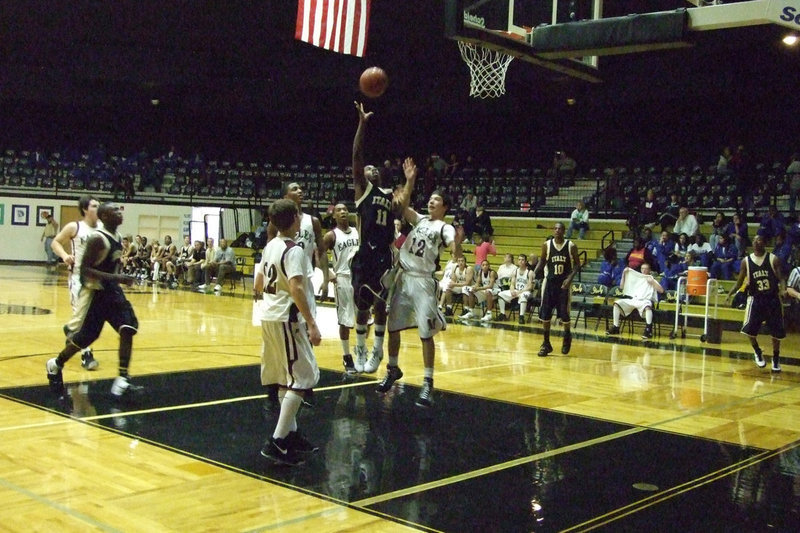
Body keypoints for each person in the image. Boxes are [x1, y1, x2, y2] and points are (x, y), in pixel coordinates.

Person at [376, 190, 464, 408]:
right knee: (393, 326)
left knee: (425, 333)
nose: (431, 201)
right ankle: (393, 368)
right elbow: (402, 208)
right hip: (404, 277)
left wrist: (457, 248)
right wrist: (410, 183)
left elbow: (453, 245)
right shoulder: (421, 219)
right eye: (430, 198)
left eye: (436, 199)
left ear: (445, 207)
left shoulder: (445, 227)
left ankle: (428, 381)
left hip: (423, 281)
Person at [46, 202, 140, 401]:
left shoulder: (119, 237)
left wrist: (120, 278)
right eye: (114, 210)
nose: (119, 212)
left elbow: (111, 269)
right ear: (105, 217)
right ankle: (56, 364)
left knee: (128, 327)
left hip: (113, 293)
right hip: (97, 293)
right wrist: (118, 278)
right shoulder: (98, 239)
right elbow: (85, 270)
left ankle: (122, 378)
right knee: (86, 338)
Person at [254, 199, 321, 466]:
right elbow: (296, 288)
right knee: (304, 377)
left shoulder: (270, 246)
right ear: (294, 218)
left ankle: (291, 434)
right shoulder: (293, 250)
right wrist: (312, 323)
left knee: (286, 378)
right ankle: (278, 441)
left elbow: (258, 283)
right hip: (285, 318)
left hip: (269, 316)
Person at [350, 102, 416, 374]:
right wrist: (362, 124)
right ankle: (360, 347)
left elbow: (402, 208)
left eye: (374, 168)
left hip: (384, 254)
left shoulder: (388, 195)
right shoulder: (362, 191)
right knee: (362, 305)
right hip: (365, 252)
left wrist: (410, 181)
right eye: (367, 169)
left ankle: (376, 350)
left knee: (380, 303)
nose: (372, 169)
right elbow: (356, 154)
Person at [50, 195, 102, 371]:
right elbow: (55, 242)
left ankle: (72, 334)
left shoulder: (104, 228)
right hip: (79, 278)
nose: (98, 208)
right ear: (85, 209)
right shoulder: (75, 227)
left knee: (93, 318)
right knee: (83, 318)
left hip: (98, 280)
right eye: (94, 205)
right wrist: (65, 256)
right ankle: (86, 354)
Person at [725, 234, 785, 372]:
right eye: (754, 239)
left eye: (759, 239)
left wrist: (783, 289)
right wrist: (730, 293)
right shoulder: (746, 261)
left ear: (764, 242)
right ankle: (757, 351)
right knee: (749, 331)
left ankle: (776, 359)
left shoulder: (773, 259)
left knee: (776, 333)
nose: (756, 242)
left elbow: (781, 278)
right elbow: (740, 281)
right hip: (755, 299)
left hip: (772, 299)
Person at [322, 203, 360, 373]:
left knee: (363, 319)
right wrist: (327, 272)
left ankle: (361, 352)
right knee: (345, 320)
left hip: (360, 278)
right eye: (339, 210)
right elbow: (317, 254)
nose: (343, 212)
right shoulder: (331, 236)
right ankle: (346, 356)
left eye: (345, 209)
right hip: (343, 279)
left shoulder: (358, 231)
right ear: (334, 216)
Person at [533, 222, 580, 356]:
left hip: (564, 284)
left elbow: (577, 265)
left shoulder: (571, 246)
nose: (557, 231)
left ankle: (567, 336)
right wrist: (534, 273)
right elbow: (542, 262)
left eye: (560, 229)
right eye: (555, 228)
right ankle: (546, 343)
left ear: (564, 231)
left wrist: (569, 279)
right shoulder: (546, 245)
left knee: (564, 314)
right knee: (546, 314)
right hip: (550, 283)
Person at [606, 263, 664, 339]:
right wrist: (624, 274)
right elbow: (621, 287)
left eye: (646, 268)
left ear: (649, 270)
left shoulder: (651, 278)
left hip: (645, 301)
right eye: (642, 268)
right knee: (617, 303)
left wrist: (652, 282)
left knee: (648, 307)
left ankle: (648, 329)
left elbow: (661, 290)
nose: (644, 270)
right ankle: (615, 326)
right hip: (634, 300)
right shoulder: (637, 278)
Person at [496, 253, 536, 324]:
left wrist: (519, 292)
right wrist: (512, 290)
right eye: (519, 260)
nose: (521, 261)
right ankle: (502, 314)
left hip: (526, 292)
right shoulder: (515, 271)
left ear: (526, 261)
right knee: (500, 294)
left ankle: (521, 317)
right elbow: (512, 284)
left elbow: (530, 287)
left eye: (522, 260)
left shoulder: (530, 272)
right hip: (516, 290)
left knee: (523, 296)